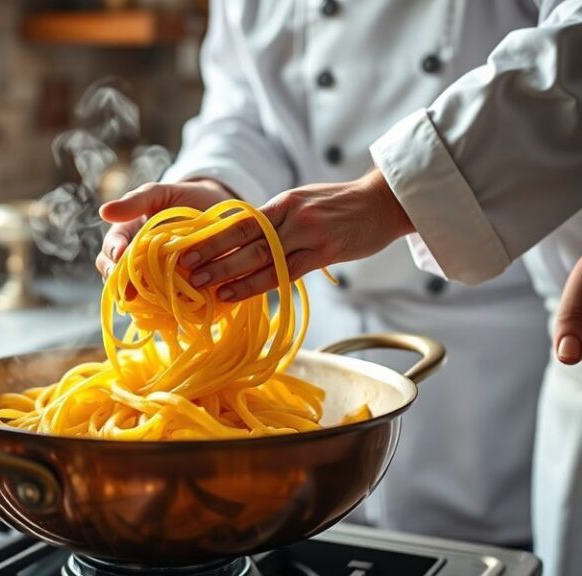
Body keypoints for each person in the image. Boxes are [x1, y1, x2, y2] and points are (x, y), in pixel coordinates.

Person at [98, 2, 582, 574]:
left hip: (497, 368)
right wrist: (215, 189)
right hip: (314, 386)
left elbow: (571, 52)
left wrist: (390, 198)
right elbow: (245, 107)